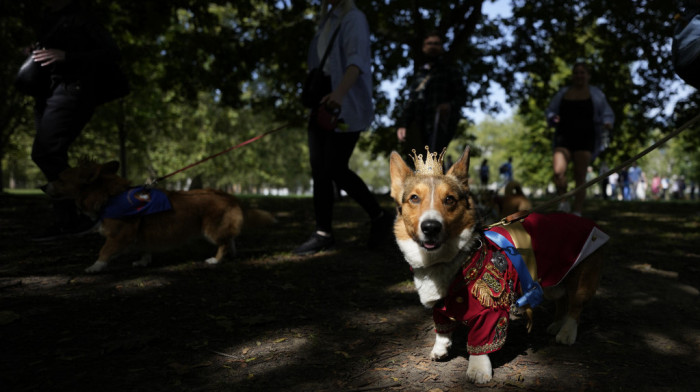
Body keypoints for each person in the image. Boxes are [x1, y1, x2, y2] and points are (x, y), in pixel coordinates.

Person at [294, 0, 391, 255]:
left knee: (335, 166)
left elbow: (356, 62)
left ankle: (380, 217)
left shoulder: (353, 18)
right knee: (319, 167)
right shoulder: (326, 20)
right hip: (322, 96)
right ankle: (323, 232)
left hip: (344, 99)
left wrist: (339, 93)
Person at [28, 0, 125, 241]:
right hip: (46, 93)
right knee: (52, 153)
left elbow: (112, 52)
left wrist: (66, 55)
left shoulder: (82, 16)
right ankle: (69, 221)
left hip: (73, 91)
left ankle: (90, 209)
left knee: (46, 152)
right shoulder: (47, 18)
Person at [546, 62, 614, 216]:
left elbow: (606, 112)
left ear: (588, 76)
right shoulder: (563, 93)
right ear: (572, 75)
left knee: (580, 175)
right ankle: (563, 202)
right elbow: (551, 111)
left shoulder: (596, 94)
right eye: (576, 72)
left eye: (583, 72)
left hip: (585, 137)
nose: (579, 75)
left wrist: (607, 123)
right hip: (563, 136)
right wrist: (552, 119)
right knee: (558, 172)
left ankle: (577, 211)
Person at [395, 31, 467, 156]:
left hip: (441, 123)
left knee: (435, 156)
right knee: (419, 160)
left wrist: (448, 106)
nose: (432, 46)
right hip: (420, 123)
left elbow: (462, 96)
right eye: (429, 43)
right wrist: (403, 124)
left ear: (442, 47)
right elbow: (412, 101)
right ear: (424, 47)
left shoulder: (450, 70)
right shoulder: (420, 74)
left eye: (436, 43)